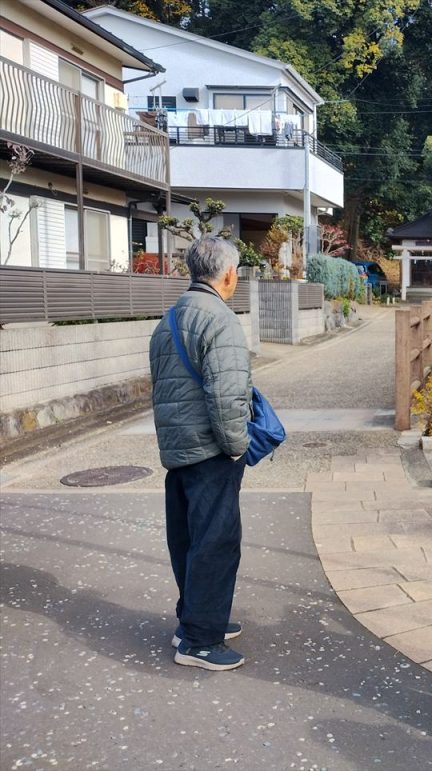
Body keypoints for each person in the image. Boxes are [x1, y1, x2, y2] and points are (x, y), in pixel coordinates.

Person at [149, 236, 252, 671]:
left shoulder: (169, 318)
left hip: (177, 452)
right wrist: (237, 448)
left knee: (189, 542)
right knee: (216, 544)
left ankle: (194, 619)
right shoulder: (220, 320)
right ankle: (200, 642)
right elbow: (227, 397)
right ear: (228, 274)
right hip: (211, 452)